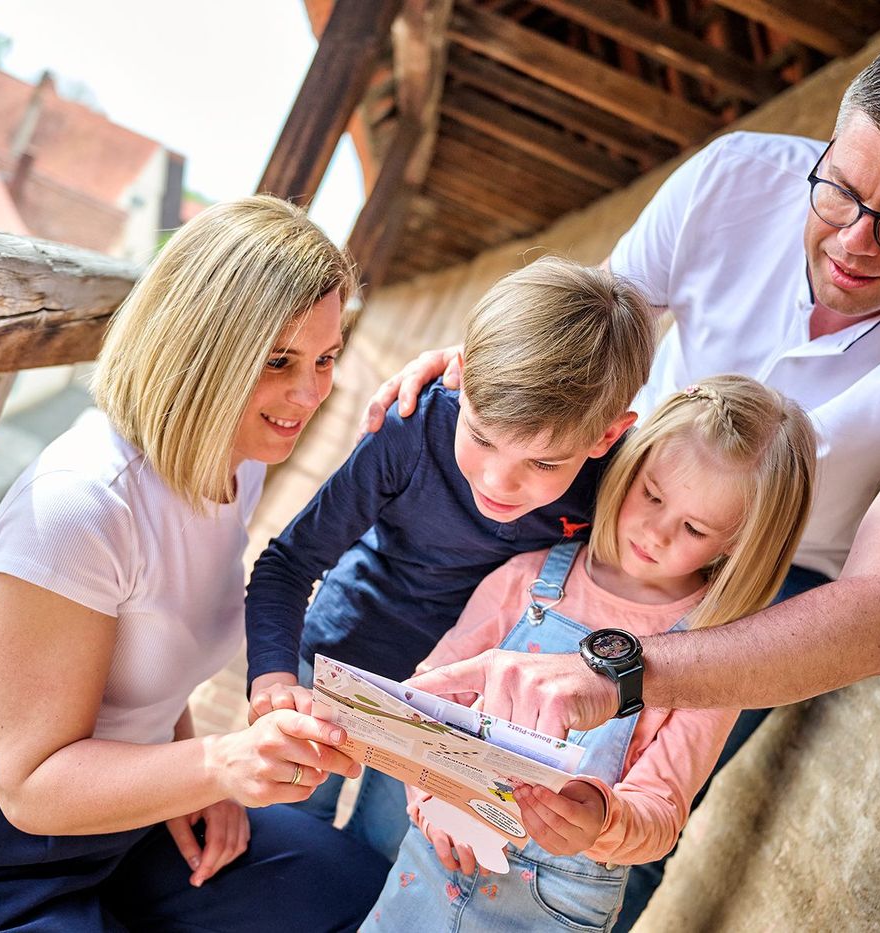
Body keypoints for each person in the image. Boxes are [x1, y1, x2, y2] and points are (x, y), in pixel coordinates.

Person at [370, 28, 880, 927]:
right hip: (631, 484)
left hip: (776, 575)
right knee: (442, 732)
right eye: (840, 189)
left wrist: (626, 671)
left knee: (640, 803)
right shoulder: (733, 177)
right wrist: (487, 367)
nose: (853, 240)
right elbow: (589, 327)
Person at [0, 196, 390, 932]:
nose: (310, 393)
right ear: (203, 349)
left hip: (120, 822)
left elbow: (147, 658)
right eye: (278, 361)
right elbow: (30, 785)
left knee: (348, 885)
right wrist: (219, 765)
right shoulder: (80, 503)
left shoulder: (239, 456)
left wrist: (196, 771)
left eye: (326, 358)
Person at [362, 375, 816, 931]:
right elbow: (428, 696)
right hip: (433, 860)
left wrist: (601, 818)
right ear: (630, 464)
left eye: (695, 528)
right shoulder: (528, 579)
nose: (657, 532)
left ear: (740, 543)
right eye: (651, 494)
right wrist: (431, 796)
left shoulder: (713, 660)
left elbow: (663, 811)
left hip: (555, 907)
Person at [243, 257, 657, 861]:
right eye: (482, 437)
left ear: (606, 438)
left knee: (384, 856)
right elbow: (287, 562)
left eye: (543, 464)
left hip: (459, 712)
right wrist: (273, 682)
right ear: (459, 376)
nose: (497, 481)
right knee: (279, 844)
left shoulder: (613, 491)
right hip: (338, 664)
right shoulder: (411, 429)